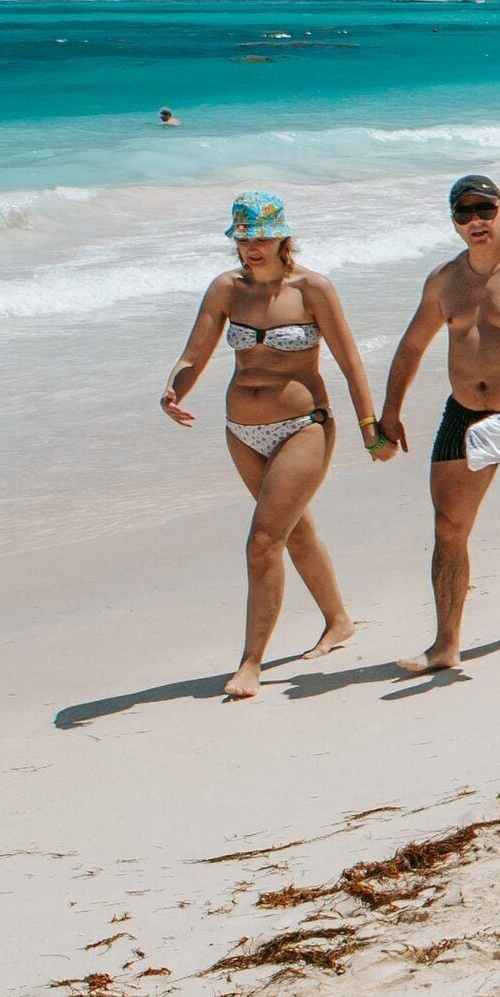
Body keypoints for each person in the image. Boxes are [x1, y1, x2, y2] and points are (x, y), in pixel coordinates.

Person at [160, 193, 380, 700]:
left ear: (283, 236)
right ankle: (339, 620)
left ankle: (251, 662)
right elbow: (194, 353)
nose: (251, 248)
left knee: (263, 541)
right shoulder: (225, 289)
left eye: (260, 238)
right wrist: (174, 388)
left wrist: (370, 426)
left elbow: (350, 362)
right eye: (243, 239)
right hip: (242, 432)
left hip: (305, 425)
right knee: (293, 531)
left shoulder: (313, 289)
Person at [376, 174, 500, 675]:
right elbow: (411, 346)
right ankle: (446, 643)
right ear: (454, 223)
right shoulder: (444, 281)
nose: (476, 221)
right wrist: (391, 410)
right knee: (448, 529)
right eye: (464, 214)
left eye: (484, 210)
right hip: (463, 416)